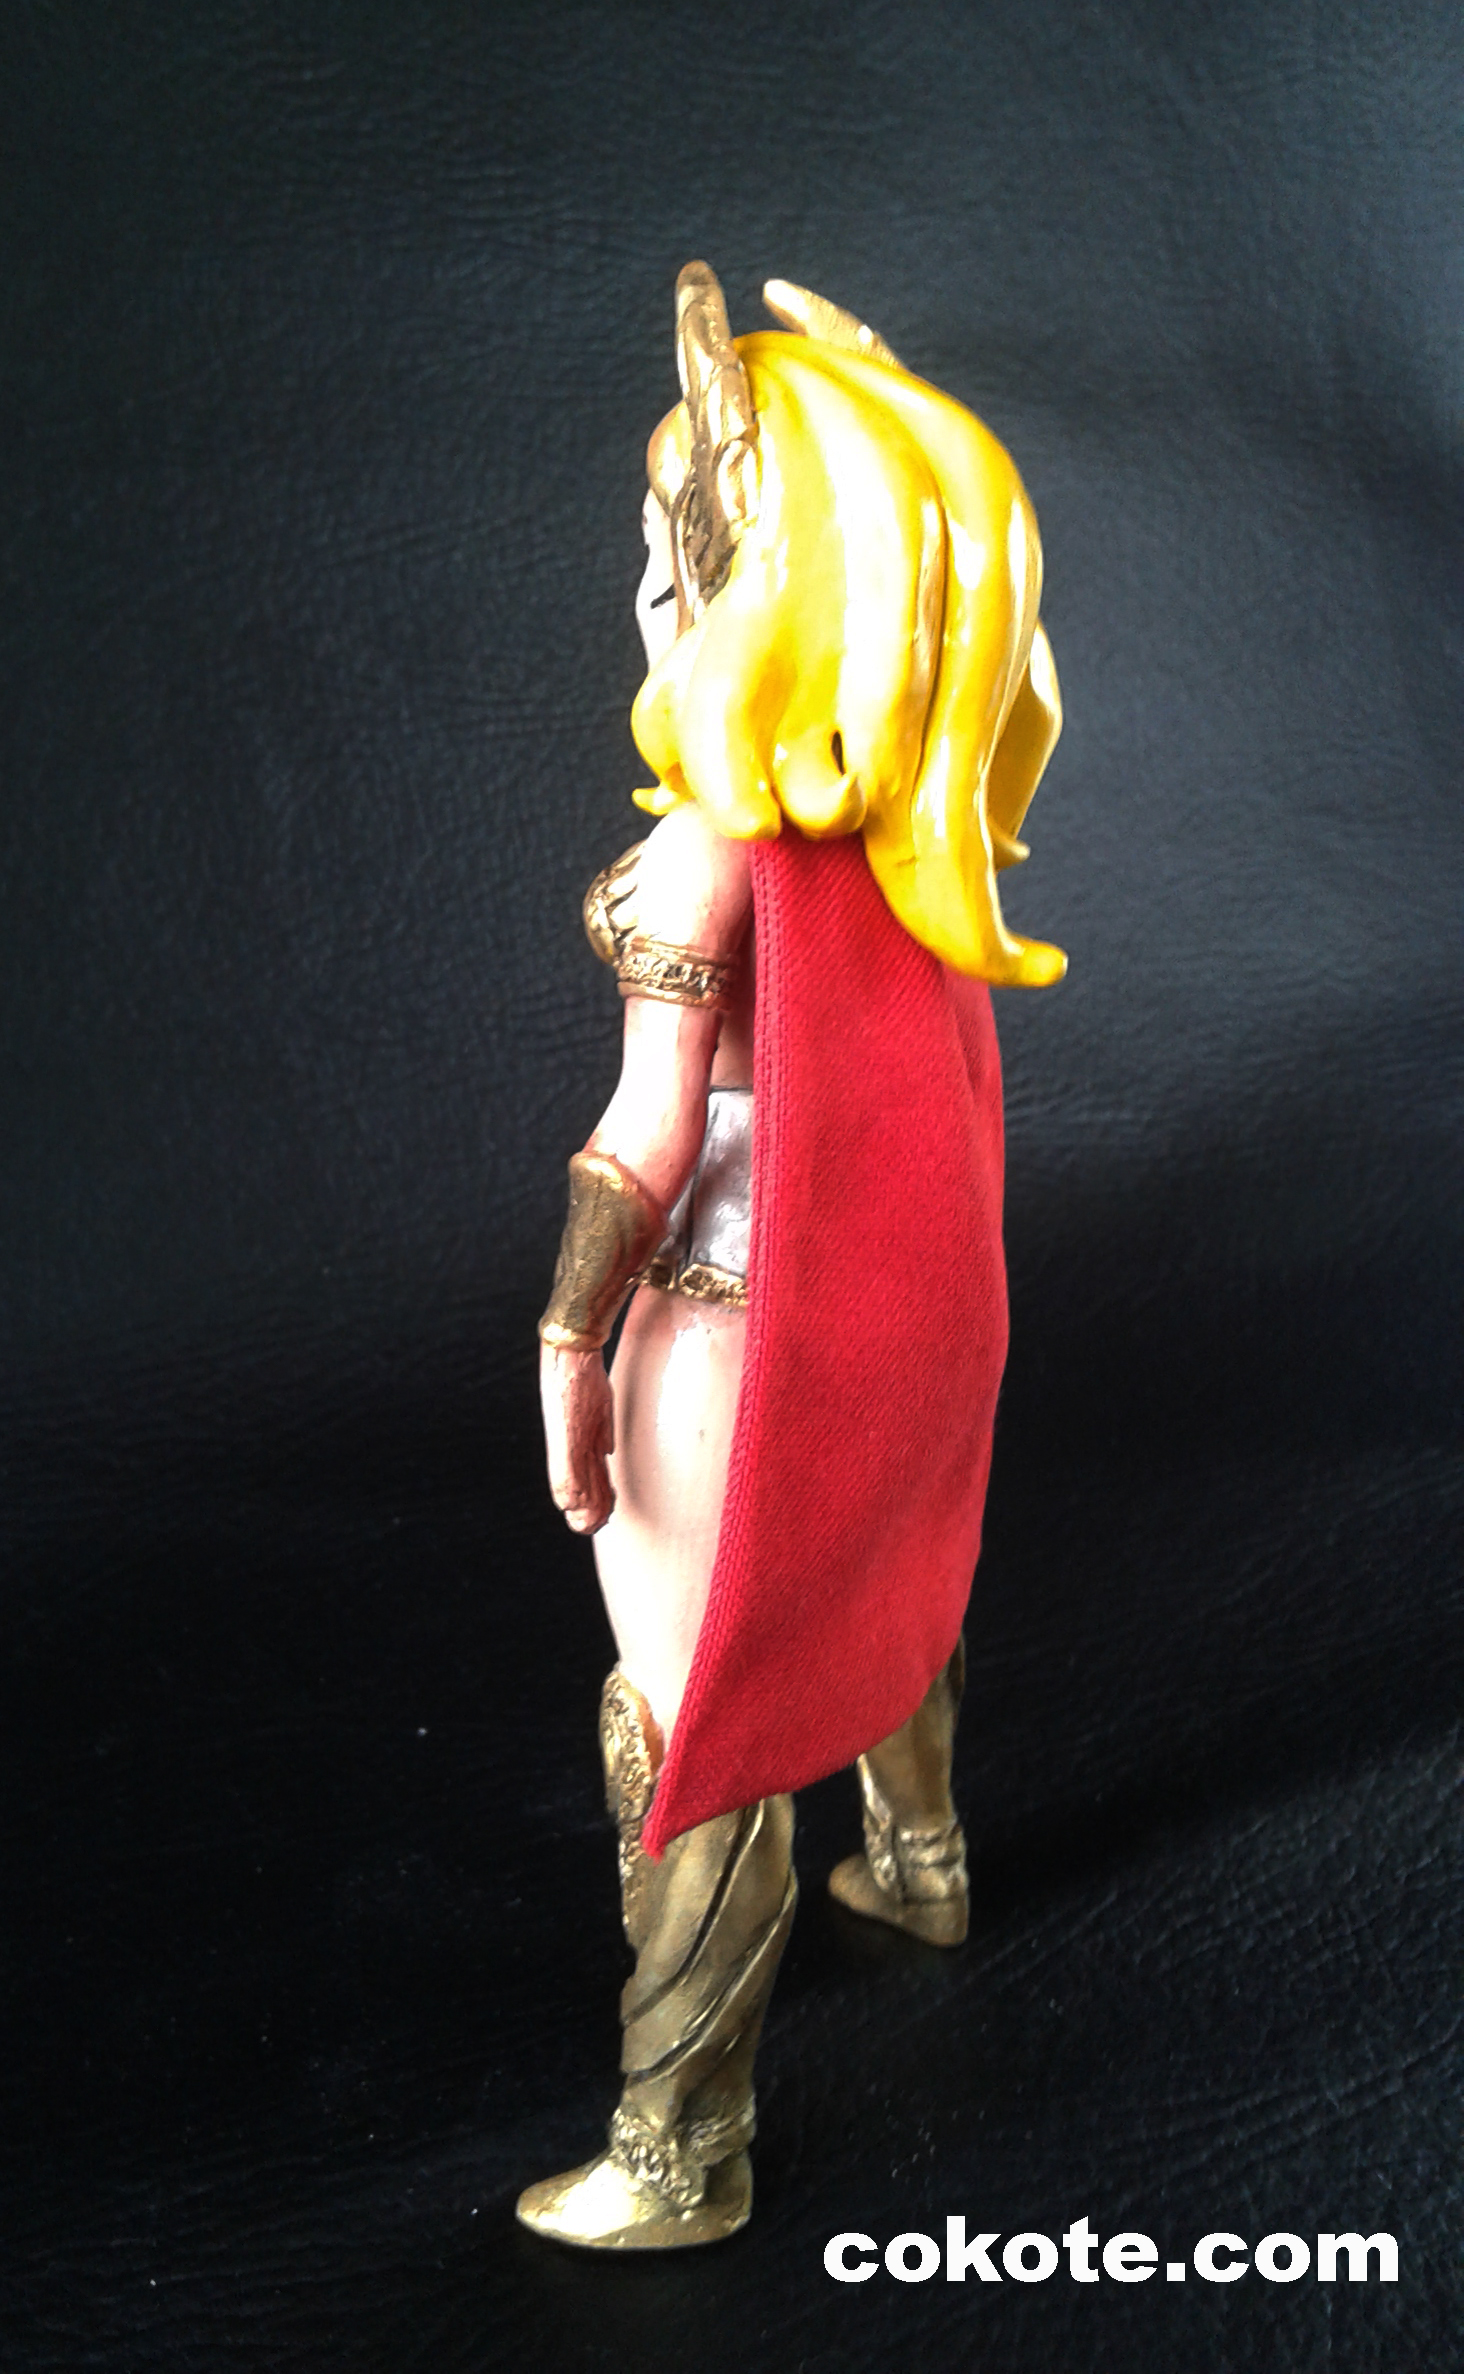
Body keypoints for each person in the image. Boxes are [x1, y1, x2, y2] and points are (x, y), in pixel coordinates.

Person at [518, 263, 1065, 2250]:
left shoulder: (707, 855)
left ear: (736, 573)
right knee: (893, 1550)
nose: (644, 581)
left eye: (668, 541)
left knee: (692, 1716)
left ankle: (683, 2149)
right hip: (913, 1303)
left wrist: (568, 1334)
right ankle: (918, 1858)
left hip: (727, 1326)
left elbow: (644, 1137)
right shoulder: (928, 825)